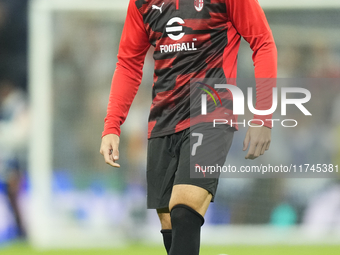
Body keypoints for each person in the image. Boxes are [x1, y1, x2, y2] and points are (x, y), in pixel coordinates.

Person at [100, 0, 277, 254]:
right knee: (171, 224)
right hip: (162, 120)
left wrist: (263, 115)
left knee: (184, 211)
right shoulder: (141, 3)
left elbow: (263, 42)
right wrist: (112, 125)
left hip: (212, 111)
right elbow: (129, 63)